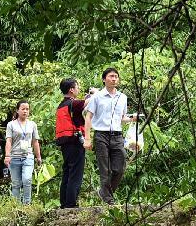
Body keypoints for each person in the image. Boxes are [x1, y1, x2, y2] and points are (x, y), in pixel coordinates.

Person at [84, 68, 139, 205]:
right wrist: (87, 138)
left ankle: (104, 192)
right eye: (111, 76)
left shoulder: (123, 97)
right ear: (104, 79)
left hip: (117, 136)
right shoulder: (97, 97)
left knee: (120, 168)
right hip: (101, 135)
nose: (114, 79)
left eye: (116, 76)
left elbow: (122, 117)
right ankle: (109, 200)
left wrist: (132, 119)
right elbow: (88, 116)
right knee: (105, 169)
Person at [55, 79, 90, 208]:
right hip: (74, 141)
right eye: (77, 87)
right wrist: (95, 93)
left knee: (67, 172)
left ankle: (64, 202)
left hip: (64, 142)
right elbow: (87, 102)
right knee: (76, 173)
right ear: (71, 89)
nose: (78, 89)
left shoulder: (61, 105)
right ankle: (70, 204)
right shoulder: (73, 103)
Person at [4, 100, 42, 205]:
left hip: (28, 156)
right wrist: (7, 155)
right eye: (23, 109)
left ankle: (27, 204)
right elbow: (9, 140)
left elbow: (35, 141)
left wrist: (38, 157)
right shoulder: (11, 125)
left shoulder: (32, 124)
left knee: (27, 179)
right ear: (17, 110)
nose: (25, 111)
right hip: (14, 157)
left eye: (27, 109)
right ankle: (16, 205)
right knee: (16, 183)